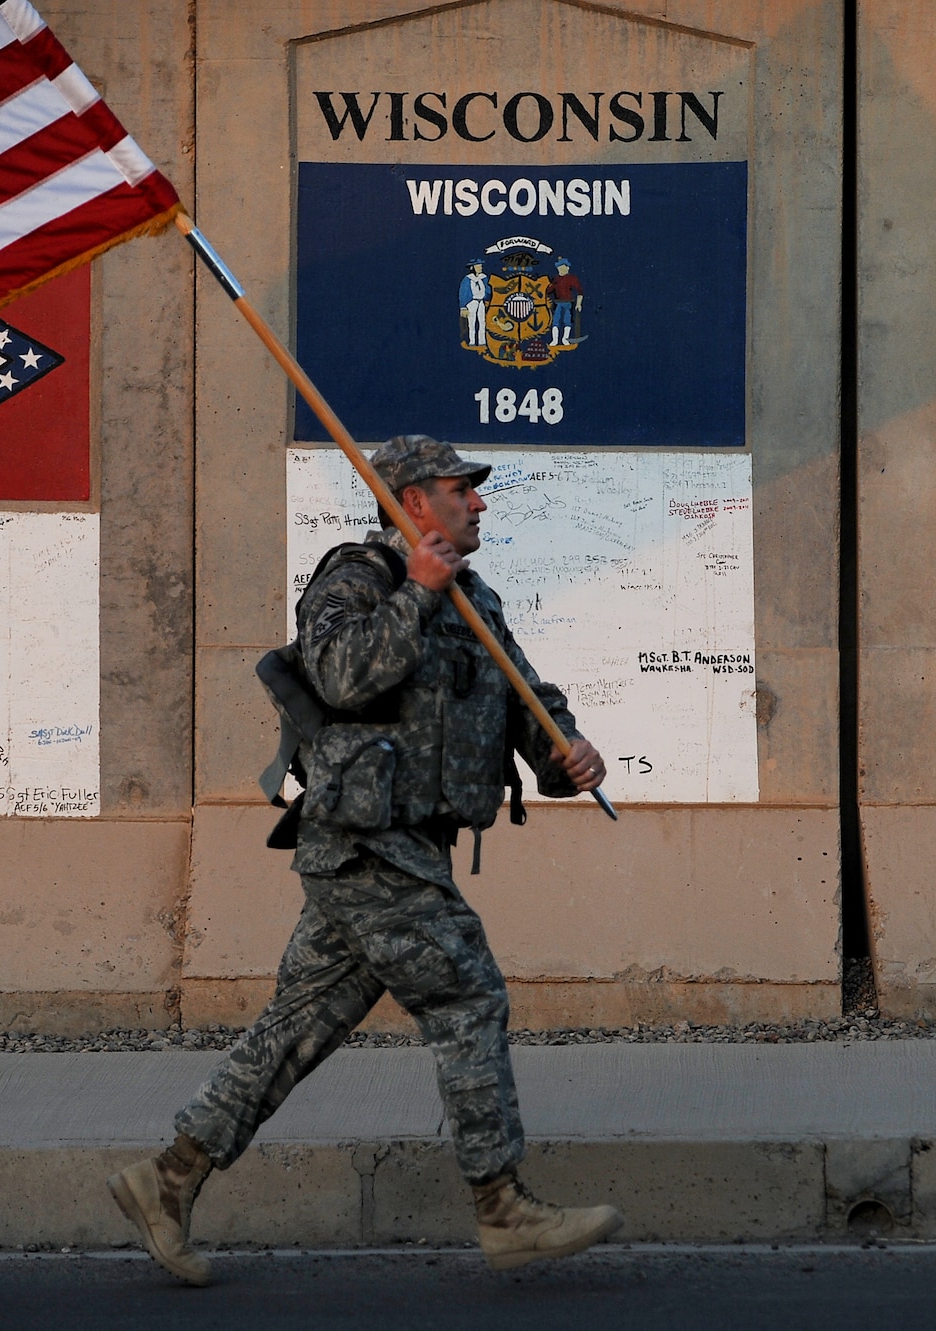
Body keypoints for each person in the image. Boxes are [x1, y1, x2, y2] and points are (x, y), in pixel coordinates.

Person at [107, 435, 620, 1286]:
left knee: (296, 1030)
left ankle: (166, 1180)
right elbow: (340, 675)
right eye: (464, 490)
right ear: (415, 501)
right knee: (464, 987)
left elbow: (526, 696)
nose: (480, 503)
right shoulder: (358, 576)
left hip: (412, 846)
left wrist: (567, 754)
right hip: (361, 843)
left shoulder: (478, 597)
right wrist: (417, 595)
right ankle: (501, 1205)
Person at [547, 257, 583, 346]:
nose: (561, 269)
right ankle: (555, 340)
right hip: (557, 303)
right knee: (555, 321)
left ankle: (565, 339)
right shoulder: (555, 279)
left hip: (568, 303)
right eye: (559, 267)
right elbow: (548, 291)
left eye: (563, 267)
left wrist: (579, 303)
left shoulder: (572, 278)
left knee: (567, 320)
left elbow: (579, 291)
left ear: (568, 268)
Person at [459, 259, 490, 347]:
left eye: (481, 266)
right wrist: (463, 306)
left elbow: (487, 289)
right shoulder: (467, 279)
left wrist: (487, 298)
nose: (480, 268)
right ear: (472, 267)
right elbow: (463, 292)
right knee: (471, 322)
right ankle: (472, 341)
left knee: (482, 322)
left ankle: (482, 341)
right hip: (472, 302)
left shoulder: (483, 278)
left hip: (481, 302)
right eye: (478, 266)